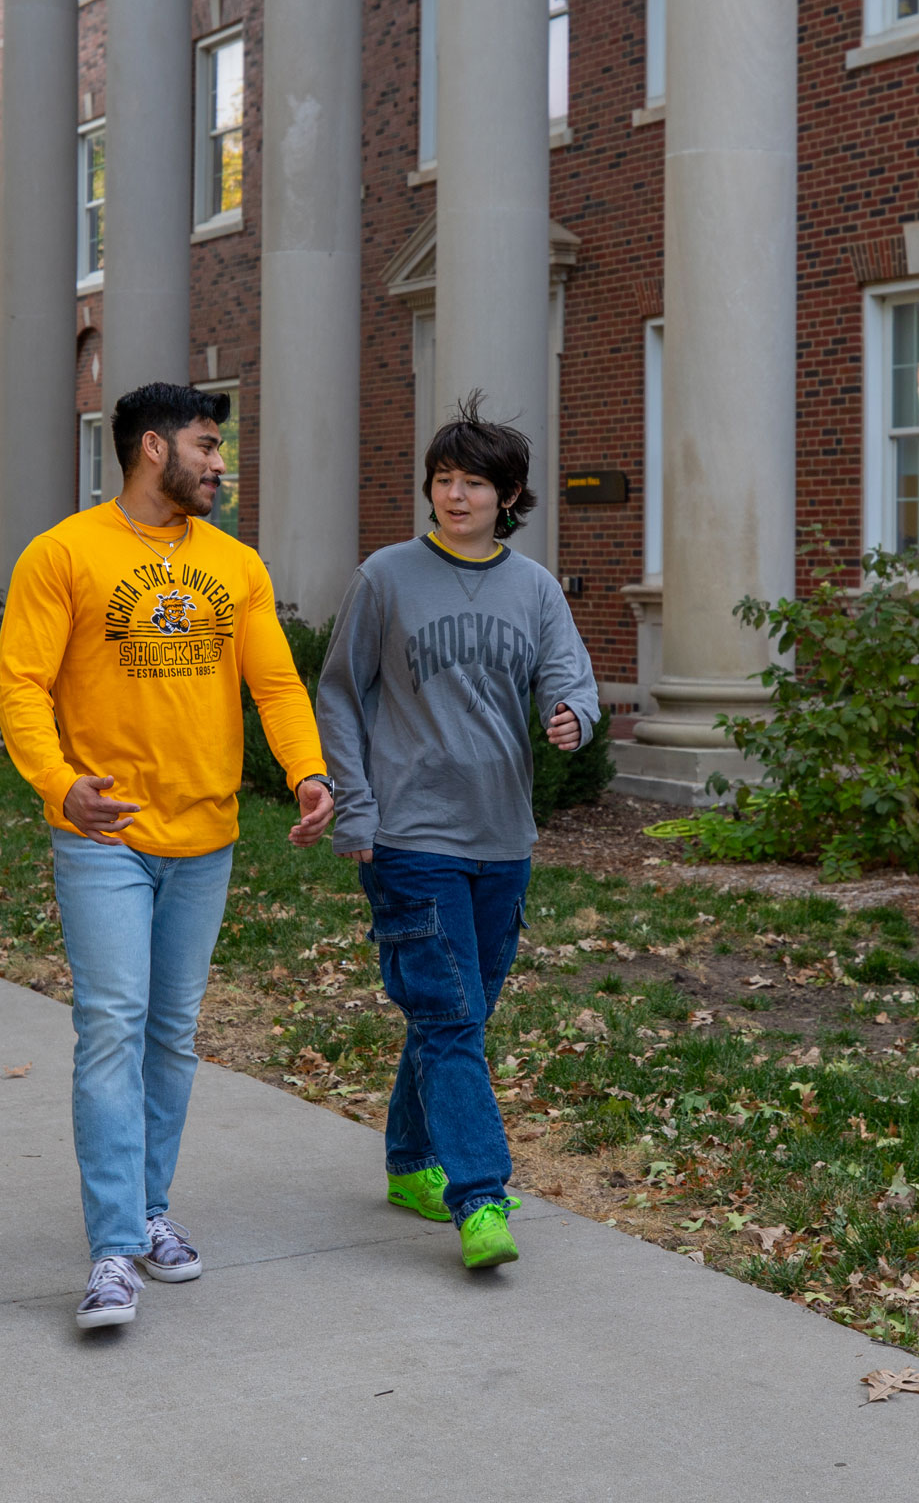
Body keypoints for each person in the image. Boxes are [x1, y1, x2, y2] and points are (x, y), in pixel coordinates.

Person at [0, 382, 336, 1329]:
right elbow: (21, 685)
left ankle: (150, 1211)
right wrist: (58, 784)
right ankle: (111, 1252)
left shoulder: (235, 565)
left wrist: (306, 772)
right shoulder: (64, 554)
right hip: (104, 835)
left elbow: (275, 682)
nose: (220, 463)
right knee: (111, 1025)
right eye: (206, 445)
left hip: (207, 837)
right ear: (153, 449)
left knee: (170, 1035)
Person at [309, 398, 599, 1270]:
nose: (456, 497)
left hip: (503, 837)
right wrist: (354, 808)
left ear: (509, 495)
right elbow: (340, 694)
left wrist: (572, 718)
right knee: (449, 1016)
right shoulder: (387, 578)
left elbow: (572, 679)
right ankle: (481, 1197)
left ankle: (409, 1162)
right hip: (409, 835)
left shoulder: (535, 587)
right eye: (444, 481)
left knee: (457, 1016)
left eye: (474, 483)